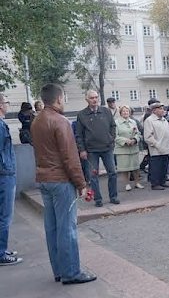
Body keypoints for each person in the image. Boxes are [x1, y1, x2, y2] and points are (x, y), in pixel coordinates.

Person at [31, 83, 96, 284]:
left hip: (44, 179)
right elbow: (70, 157)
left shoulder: (37, 121)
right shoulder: (60, 121)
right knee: (67, 228)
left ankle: (59, 270)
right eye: (64, 98)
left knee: (52, 228)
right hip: (60, 181)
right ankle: (72, 273)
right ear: (58, 99)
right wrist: (81, 183)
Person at [75, 90, 118, 207]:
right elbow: (78, 134)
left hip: (107, 148)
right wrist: (82, 149)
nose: (94, 100)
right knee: (93, 176)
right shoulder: (82, 115)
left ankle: (113, 196)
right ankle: (98, 199)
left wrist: (111, 139)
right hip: (91, 150)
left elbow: (113, 126)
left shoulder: (106, 111)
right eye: (92, 98)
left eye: (96, 97)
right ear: (87, 100)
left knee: (113, 173)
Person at [0, 94, 22, 266]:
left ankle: (2, 248)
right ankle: (1, 254)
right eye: (6, 102)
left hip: (5, 173)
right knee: (5, 216)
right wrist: (6, 169)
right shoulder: (0, 126)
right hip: (4, 175)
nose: (8, 105)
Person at [114, 106, 143, 192]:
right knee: (125, 168)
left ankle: (137, 183)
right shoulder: (116, 123)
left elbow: (138, 133)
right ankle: (127, 184)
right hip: (122, 149)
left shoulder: (133, 122)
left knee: (136, 167)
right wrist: (125, 141)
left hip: (133, 147)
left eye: (127, 111)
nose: (125, 113)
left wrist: (135, 139)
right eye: (123, 111)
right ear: (120, 113)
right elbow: (115, 136)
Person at [144, 101, 169, 190]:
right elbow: (148, 136)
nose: (162, 110)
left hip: (165, 147)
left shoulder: (164, 119)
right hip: (156, 149)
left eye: (162, 108)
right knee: (156, 167)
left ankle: (162, 181)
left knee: (164, 166)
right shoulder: (149, 120)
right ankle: (155, 183)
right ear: (154, 110)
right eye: (160, 109)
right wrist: (156, 144)